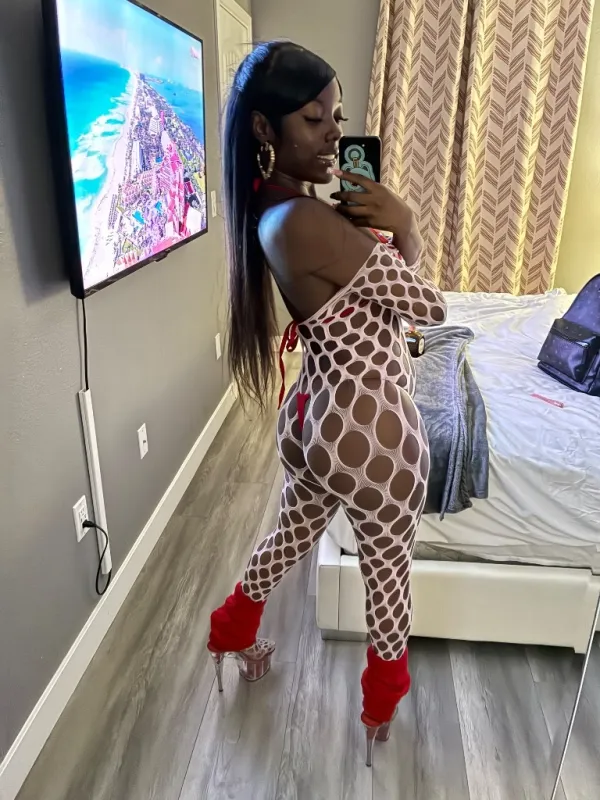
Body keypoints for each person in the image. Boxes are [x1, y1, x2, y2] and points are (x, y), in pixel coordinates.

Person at [207, 41, 447, 766]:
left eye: (336, 118)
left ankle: (231, 630)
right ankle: (380, 705)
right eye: (313, 120)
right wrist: (405, 225)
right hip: (370, 422)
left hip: (316, 415)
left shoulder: (275, 211)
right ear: (264, 129)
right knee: (388, 576)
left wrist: (368, 234)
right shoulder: (308, 223)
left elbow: (365, 301)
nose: (333, 136)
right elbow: (428, 308)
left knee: (289, 535)